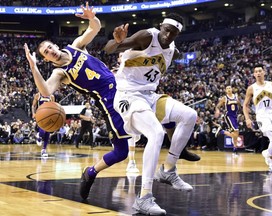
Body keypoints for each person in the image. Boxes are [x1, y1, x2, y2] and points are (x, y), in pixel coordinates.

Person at [24, 2, 131, 201]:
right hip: (108, 101)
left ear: (55, 45)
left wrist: (92, 17)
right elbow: (45, 91)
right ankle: (90, 172)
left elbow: (95, 28)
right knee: (121, 152)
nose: (50, 51)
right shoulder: (59, 72)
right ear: (46, 59)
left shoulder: (76, 46)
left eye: (50, 47)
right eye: (46, 53)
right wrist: (33, 67)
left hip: (123, 86)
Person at [104, 14, 198, 215]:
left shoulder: (172, 50)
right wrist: (118, 41)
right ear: (161, 26)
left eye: (173, 33)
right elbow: (109, 49)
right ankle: (144, 198)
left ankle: (168, 170)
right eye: (166, 29)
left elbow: (174, 53)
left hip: (150, 96)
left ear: (177, 34)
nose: (168, 34)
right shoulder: (147, 36)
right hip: (127, 95)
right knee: (157, 133)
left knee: (190, 115)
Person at [243, 65, 272, 173]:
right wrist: (247, 119)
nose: (258, 73)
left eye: (260, 71)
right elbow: (245, 105)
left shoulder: (271, 85)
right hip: (262, 116)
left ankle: (267, 153)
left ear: (264, 72)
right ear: (254, 74)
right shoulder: (251, 88)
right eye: (256, 72)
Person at [214, 85, 241, 154]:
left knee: (236, 133)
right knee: (235, 132)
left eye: (229, 88)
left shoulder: (236, 96)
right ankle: (222, 132)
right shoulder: (224, 98)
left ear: (232, 89)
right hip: (228, 116)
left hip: (235, 116)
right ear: (225, 91)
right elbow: (217, 106)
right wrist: (217, 111)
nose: (228, 89)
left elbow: (238, 104)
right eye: (227, 88)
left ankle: (235, 148)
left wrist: (240, 104)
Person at [32, 92, 55, 157]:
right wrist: (33, 113)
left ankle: (44, 150)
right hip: (40, 115)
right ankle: (39, 136)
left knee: (47, 133)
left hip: (48, 115)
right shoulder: (38, 95)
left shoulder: (51, 96)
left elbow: (53, 106)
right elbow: (33, 105)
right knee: (43, 131)